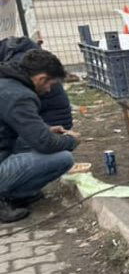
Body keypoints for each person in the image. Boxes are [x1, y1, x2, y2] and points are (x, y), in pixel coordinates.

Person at [0, 49, 78, 223]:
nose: (49, 90)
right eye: (50, 84)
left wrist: (47, 130)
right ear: (41, 78)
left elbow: (11, 127)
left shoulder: (6, 82)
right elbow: (44, 143)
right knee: (63, 158)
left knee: (29, 145)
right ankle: (10, 195)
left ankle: (15, 193)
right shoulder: (19, 96)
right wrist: (71, 140)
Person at [0, 36, 73, 130]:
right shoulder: (26, 60)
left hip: (52, 121)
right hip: (53, 121)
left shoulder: (18, 68)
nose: (48, 88)